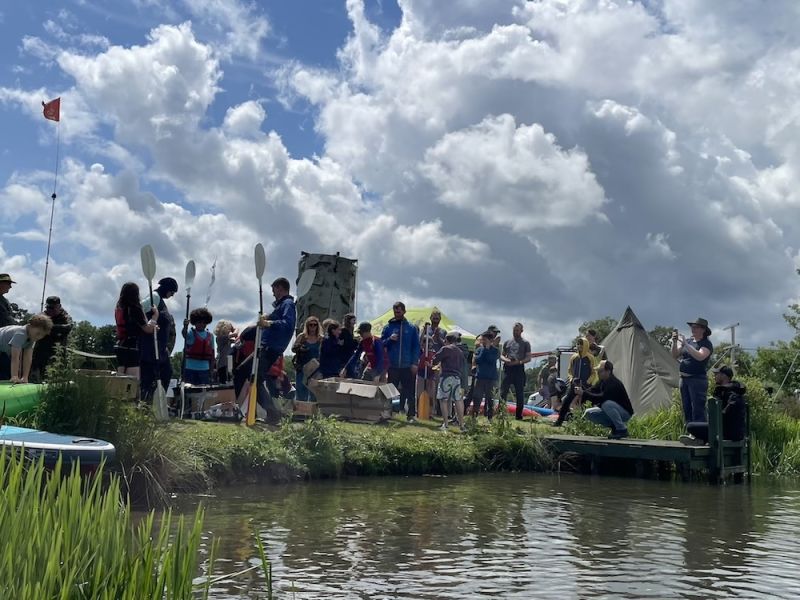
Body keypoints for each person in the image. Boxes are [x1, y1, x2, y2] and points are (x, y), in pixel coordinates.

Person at [256, 277, 297, 421]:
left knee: (256, 380)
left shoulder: (288, 304)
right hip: (270, 347)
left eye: (274, 290)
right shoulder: (282, 305)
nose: (273, 293)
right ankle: (273, 413)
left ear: (280, 288)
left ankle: (273, 413)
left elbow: (287, 324)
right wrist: (269, 317)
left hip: (271, 348)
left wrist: (268, 323)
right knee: (263, 380)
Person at [680, 365, 747, 446]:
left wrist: (716, 418)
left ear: (724, 375)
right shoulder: (731, 390)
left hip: (728, 432)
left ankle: (701, 441)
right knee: (696, 426)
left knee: (690, 426)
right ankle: (700, 440)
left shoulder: (732, 394)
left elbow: (727, 413)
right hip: (730, 431)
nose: (714, 376)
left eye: (716, 374)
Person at [140, 277, 178, 404]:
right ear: (167, 289)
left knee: (166, 374)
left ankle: (154, 404)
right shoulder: (154, 296)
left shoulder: (160, 300)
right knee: (149, 377)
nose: (172, 295)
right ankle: (146, 404)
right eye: (172, 292)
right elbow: (139, 309)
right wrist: (150, 323)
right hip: (151, 347)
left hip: (161, 348)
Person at [381, 301, 421, 422]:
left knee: (409, 391)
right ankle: (391, 411)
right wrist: (389, 339)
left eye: (399, 311)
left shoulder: (411, 328)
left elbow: (416, 347)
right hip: (392, 364)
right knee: (391, 390)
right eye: (395, 311)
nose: (397, 313)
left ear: (404, 311)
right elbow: (381, 344)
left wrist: (414, 363)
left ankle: (411, 415)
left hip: (407, 365)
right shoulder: (388, 327)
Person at [672, 317, 713, 423]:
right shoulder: (689, 341)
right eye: (692, 327)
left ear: (703, 330)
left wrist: (686, 344)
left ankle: (700, 435)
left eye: (696, 327)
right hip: (684, 379)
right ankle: (690, 432)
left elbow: (700, 356)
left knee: (697, 408)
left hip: (697, 380)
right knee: (686, 408)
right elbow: (675, 355)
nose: (692, 329)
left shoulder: (706, 344)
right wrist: (674, 342)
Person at [579, 360, 635, 439]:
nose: (598, 373)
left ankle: (622, 429)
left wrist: (584, 393)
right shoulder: (602, 381)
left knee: (606, 404)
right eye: (598, 371)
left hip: (625, 413)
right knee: (589, 413)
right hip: (613, 411)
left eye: (600, 371)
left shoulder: (613, 383)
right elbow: (592, 391)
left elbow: (601, 397)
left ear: (608, 371)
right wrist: (582, 389)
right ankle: (614, 427)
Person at [114, 282, 158, 379]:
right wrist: (155, 316)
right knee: (132, 381)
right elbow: (148, 329)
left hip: (121, 346)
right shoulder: (135, 308)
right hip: (132, 347)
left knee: (121, 377)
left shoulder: (119, 308)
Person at [553, 337, 597, 427]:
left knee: (585, 404)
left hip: (586, 385)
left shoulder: (590, 358)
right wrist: (571, 379)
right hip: (574, 384)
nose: (579, 346)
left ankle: (586, 424)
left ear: (585, 345)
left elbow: (594, 372)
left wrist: (588, 382)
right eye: (578, 344)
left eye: (581, 344)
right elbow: (569, 371)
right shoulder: (574, 357)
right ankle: (559, 421)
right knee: (566, 402)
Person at [30, 296, 73, 382]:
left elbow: (68, 327)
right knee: (36, 374)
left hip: (58, 350)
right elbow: (31, 322)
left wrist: (48, 327)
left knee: (57, 374)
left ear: (59, 306)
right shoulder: (43, 314)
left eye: (52, 308)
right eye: (48, 307)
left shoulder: (65, 316)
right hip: (41, 350)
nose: (49, 310)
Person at [0, 314, 53, 382]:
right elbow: (15, 358)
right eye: (38, 333)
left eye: (42, 335)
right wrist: (15, 376)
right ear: (30, 326)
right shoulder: (20, 334)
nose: (39, 337)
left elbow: (28, 358)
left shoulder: (32, 337)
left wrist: (25, 377)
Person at [432, 332, 466, 431]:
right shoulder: (460, 351)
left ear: (446, 340)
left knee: (443, 400)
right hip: (457, 377)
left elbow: (435, 359)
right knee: (458, 400)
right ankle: (462, 425)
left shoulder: (445, 348)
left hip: (446, 376)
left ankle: (445, 424)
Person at [499, 322, 532, 420]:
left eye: (517, 330)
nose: (515, 332)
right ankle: (501, 413)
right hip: (508, 368)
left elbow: (528, 358)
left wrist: (519, 362)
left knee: (519, 393)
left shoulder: (525, 343)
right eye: (514, 330)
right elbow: (501, 355)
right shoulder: (507, 342)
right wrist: (506, 360)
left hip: (519, 368)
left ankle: (518, 415)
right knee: (503, 391)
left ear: (521, 331)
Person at [417, 309, 447, 415]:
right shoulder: (425, 329)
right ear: (430, 318)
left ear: (440, 319)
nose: (435, 320)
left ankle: (433, 410)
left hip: (436, 363)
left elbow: (446, 346)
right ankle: (420, 409)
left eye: (437, 318)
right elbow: (419, 342)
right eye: (434, 318)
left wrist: (438, 338)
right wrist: (424, 332)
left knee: (434, 388)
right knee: (421, 386)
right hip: (424, 360)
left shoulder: (443, 332)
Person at [469, 332, 500, 419]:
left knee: (490, 399)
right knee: (477, 397)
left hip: (491, 378)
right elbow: (478, 360)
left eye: (484, 339)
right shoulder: (479, 350)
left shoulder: (495, 350)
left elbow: (491, 360)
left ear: (490, 340)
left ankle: (490, 418)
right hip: (480, 377)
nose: (482, 341)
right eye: (482, 339)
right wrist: (484, 350)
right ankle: (474, 417)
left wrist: (487, 349)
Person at [181, 307, 215, 385]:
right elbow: (184, 334)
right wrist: (185, 326)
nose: (202, 324)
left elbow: (212, 355)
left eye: (204, 322)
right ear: (194, 322)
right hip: (190, 368)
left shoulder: (210, 336)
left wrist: (212, 370)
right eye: (199, 322)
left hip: (204, 369)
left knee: (203, 392)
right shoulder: (191, 333)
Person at [292, 316, 322, 400]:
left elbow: (325, 352)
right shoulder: (302, 337)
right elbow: (293, 349)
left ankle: (312, 412)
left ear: (317, 326)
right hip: (302, 367)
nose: (312, 327)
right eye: (310, 325)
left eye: (315, 325)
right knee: (301, 391)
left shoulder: (320, 338)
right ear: (307, 326)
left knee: (314, 393)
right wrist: (300, 348)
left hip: (315, 369)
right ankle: (300, 412)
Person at [340, 313, 359, 377]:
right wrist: (356, 341)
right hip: (344, 357)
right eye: (353, 320)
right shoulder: (344, 331)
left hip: (350, 355)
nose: (355, 322)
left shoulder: (350, 331)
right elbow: (347, 343)